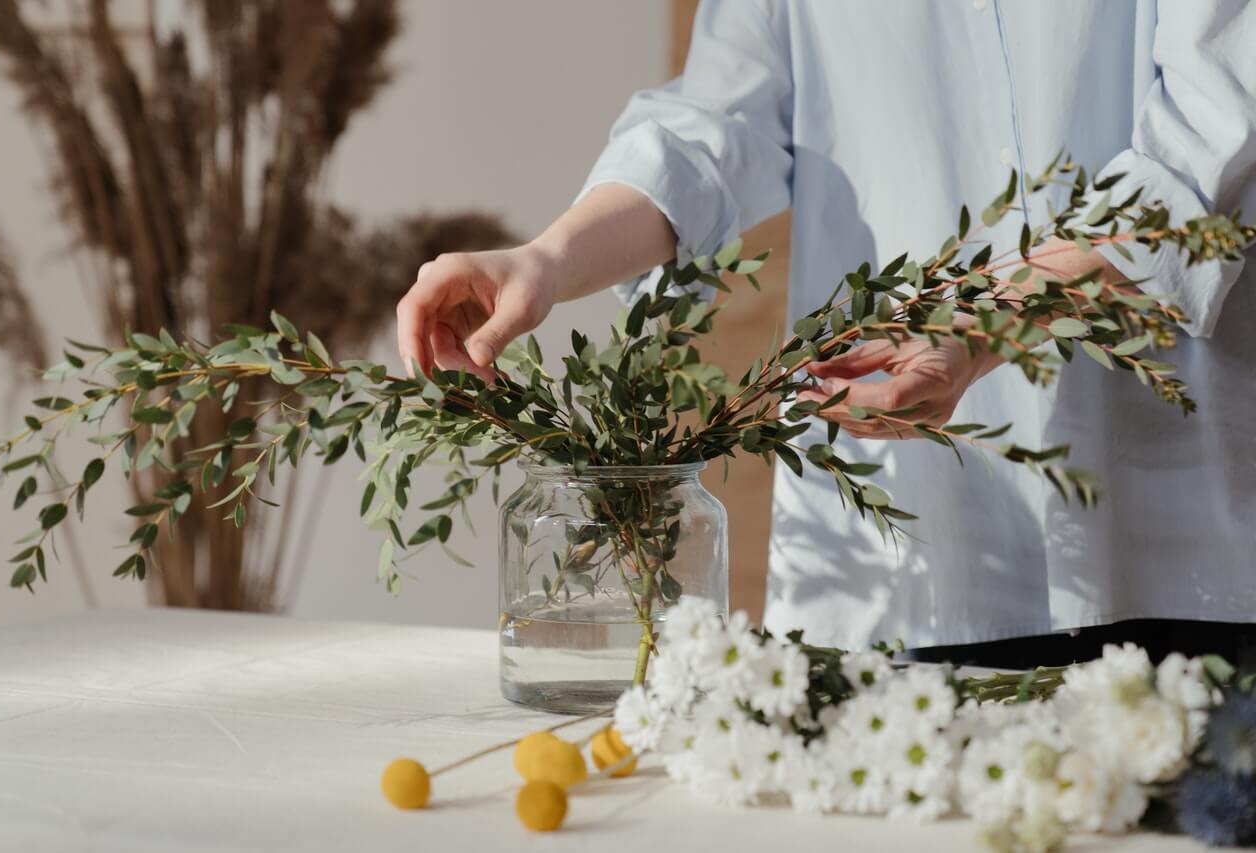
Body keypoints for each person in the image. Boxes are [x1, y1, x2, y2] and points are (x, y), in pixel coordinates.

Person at [395, 2, 1256, 667]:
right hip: (911, 553)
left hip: (1184, 533)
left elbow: (1206, 142)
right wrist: (546, 260)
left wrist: (978, 325)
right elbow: (717, 125)